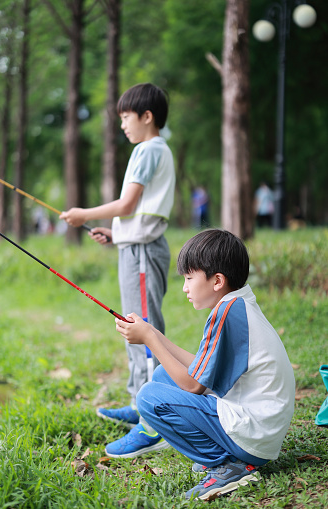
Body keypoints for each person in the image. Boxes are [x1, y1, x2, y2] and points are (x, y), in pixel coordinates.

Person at [115, 229, 295, 500]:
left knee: (149, 398)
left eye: (189, 278)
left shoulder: (227, 313)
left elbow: (194, 384)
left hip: (253, 435)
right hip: (260, 429)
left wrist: (150, 339)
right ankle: (227, 455)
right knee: (165, 375)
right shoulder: (236, 304)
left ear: (217, 281)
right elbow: (200, 368)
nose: (185, 287)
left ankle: (226, 465)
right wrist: (153, 333)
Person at [60, 83, 175, 457]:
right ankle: (141, 402)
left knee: (143, 329)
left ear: (147, 116)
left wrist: (82, 213)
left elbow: (127, 204)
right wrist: (117, 235)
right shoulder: (155, 150)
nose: (122, 124)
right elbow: (139, 214)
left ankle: (153, 422)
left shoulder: (147, 149)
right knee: (135, 326)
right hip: (137, 248)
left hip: (142, 254)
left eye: (126, 117)